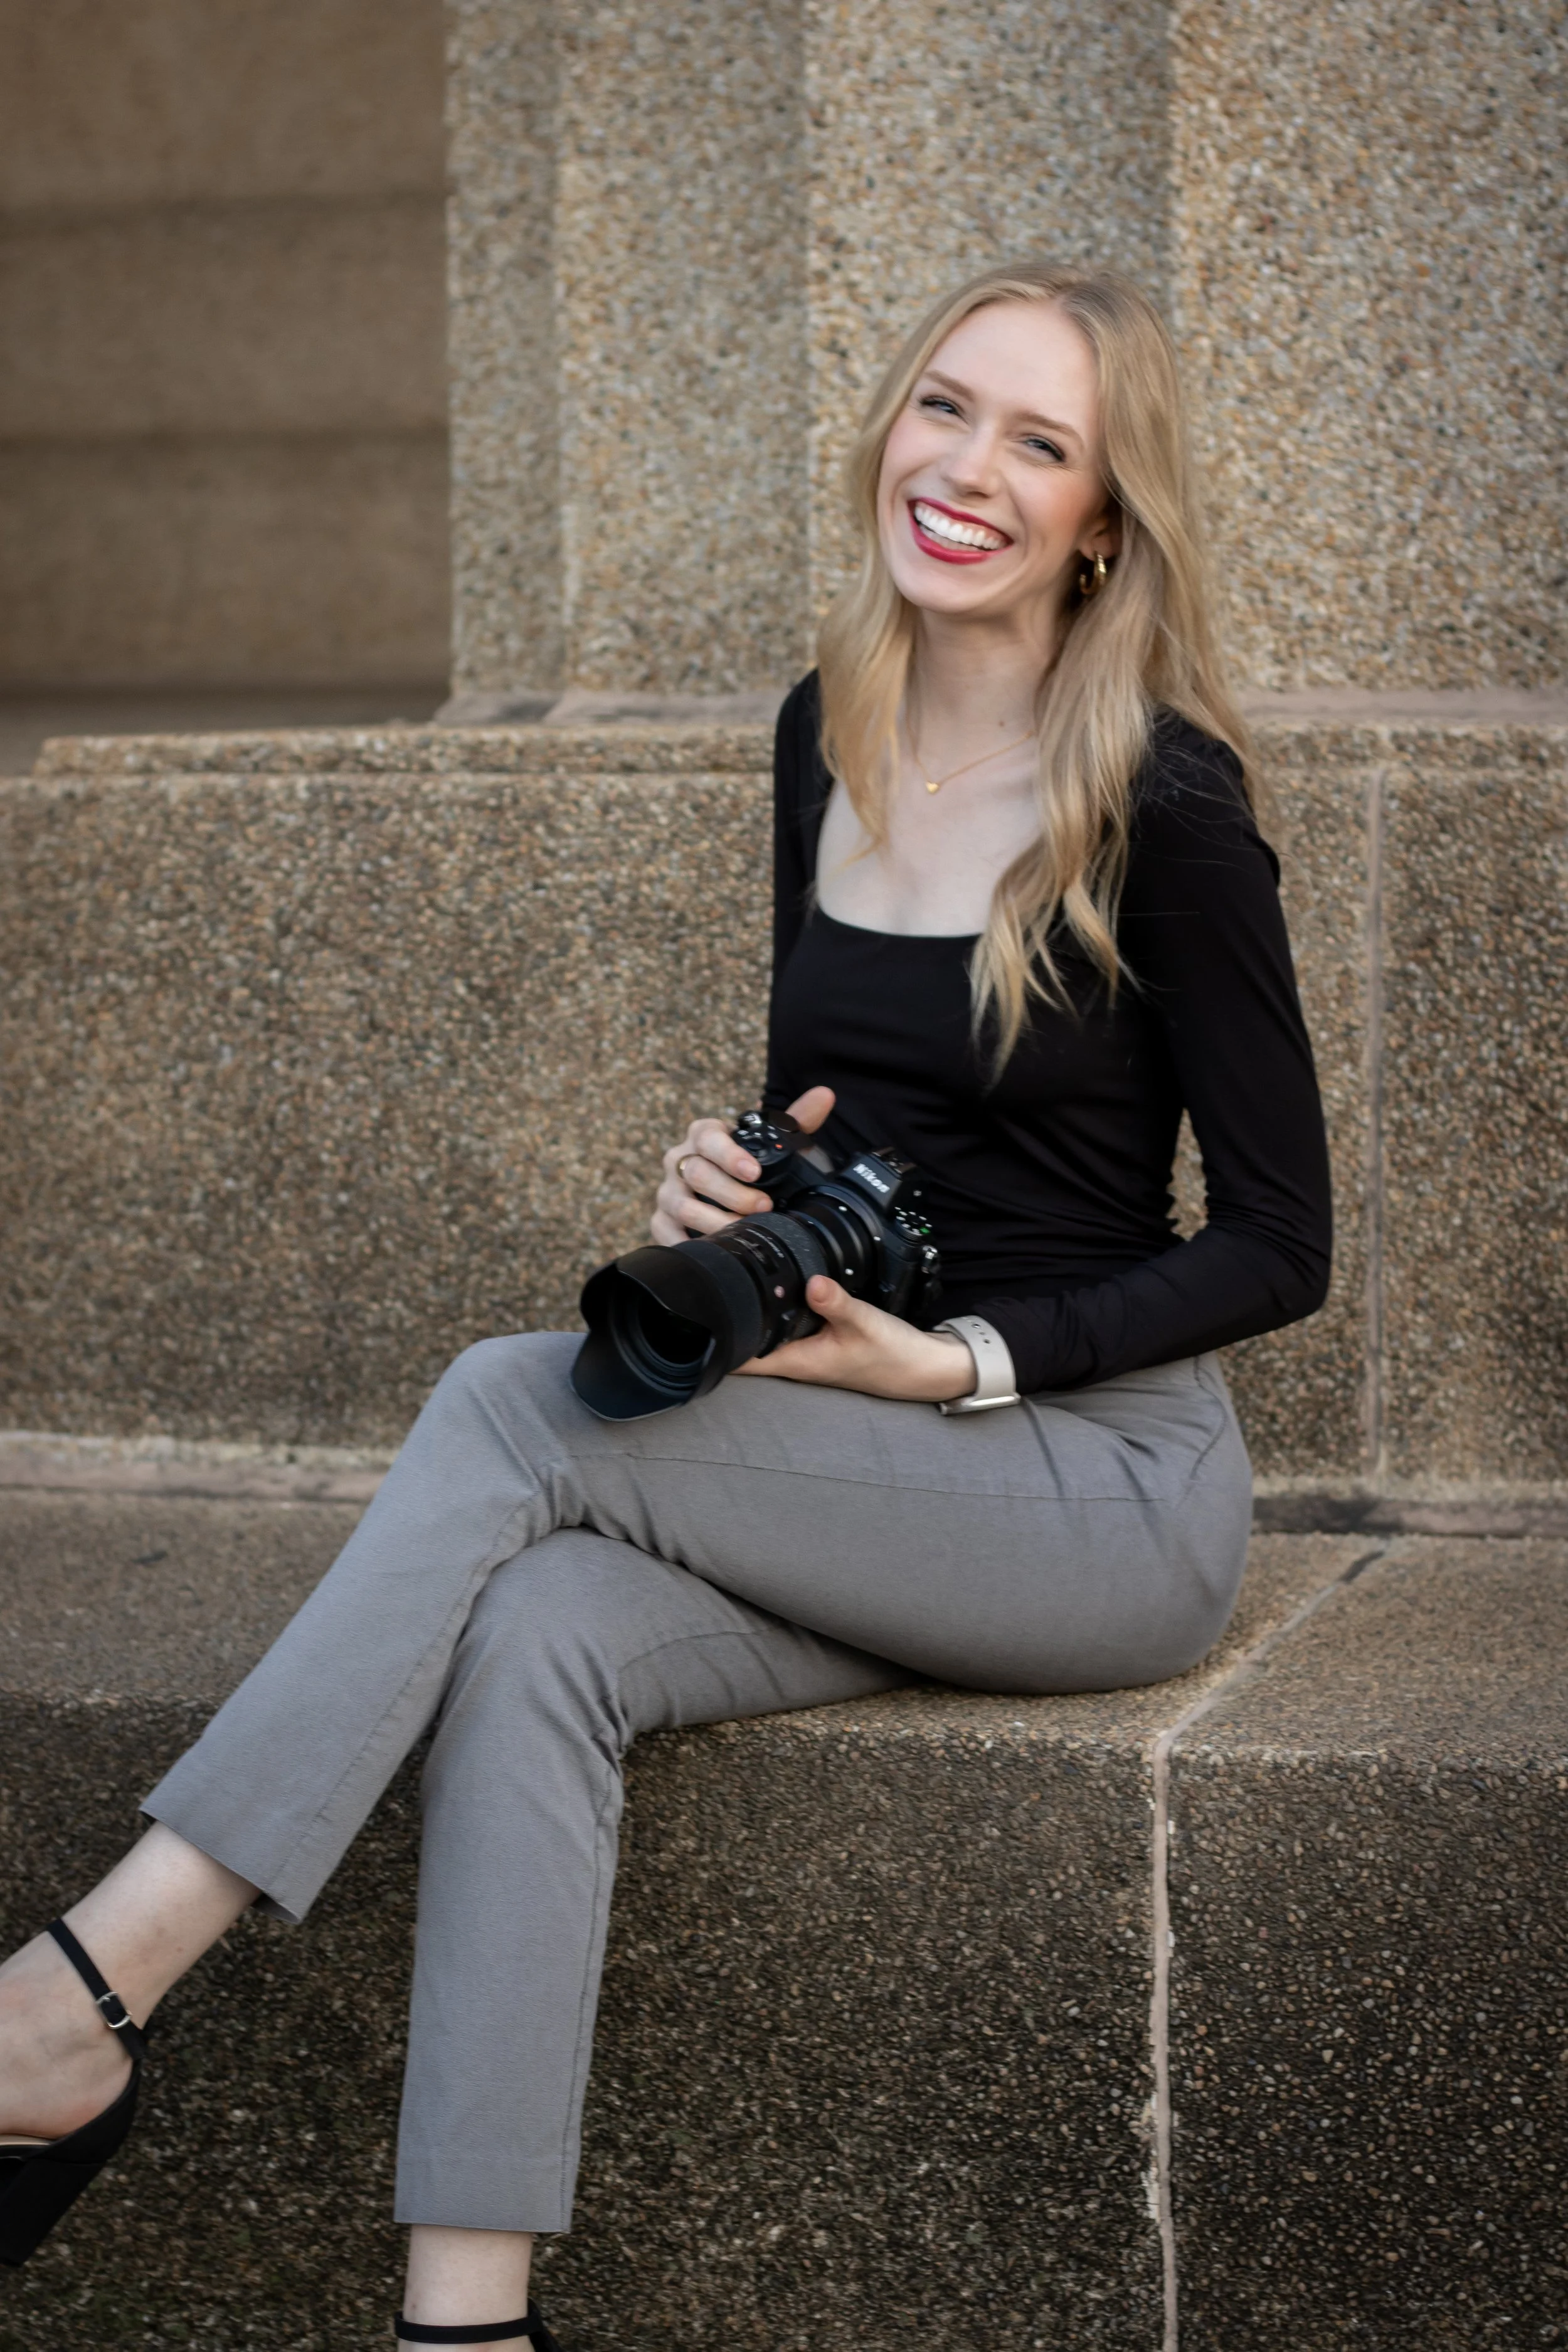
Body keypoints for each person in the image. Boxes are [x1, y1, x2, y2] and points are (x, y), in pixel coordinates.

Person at [0, 259, 1331, 2346]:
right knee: (536, 1631)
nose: (965, 467)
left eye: (1038, 442)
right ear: (884, 425)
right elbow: (893, 1103)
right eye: (941, 406)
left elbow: (1280, 1236)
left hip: (1100, 1493)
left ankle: (76, 1999)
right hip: (870, 1463)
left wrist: (962, 1356)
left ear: (1104, 519)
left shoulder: (1164, 807)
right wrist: (732, 1176)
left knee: (516, 1401)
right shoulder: (833, 731)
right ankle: (467, 2319)